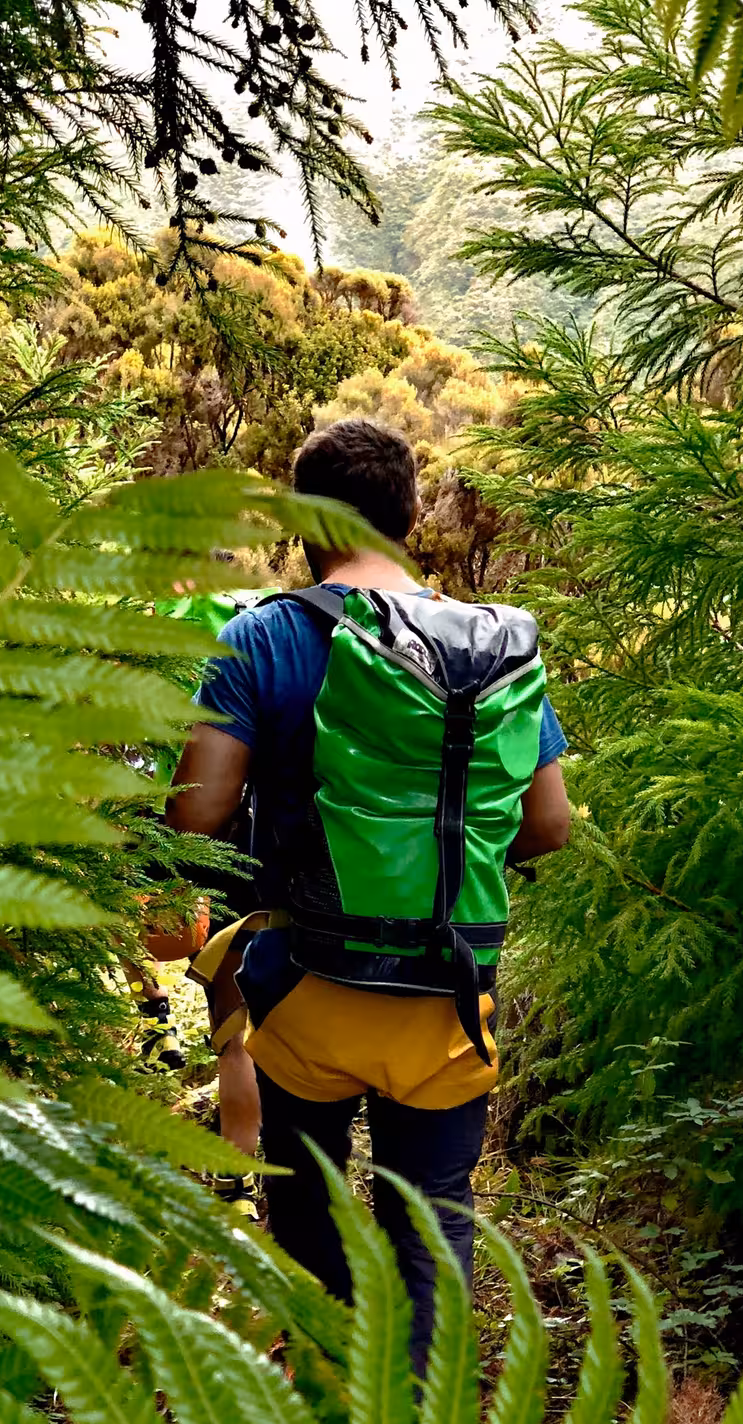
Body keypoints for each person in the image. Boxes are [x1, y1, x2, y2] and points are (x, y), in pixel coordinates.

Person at [166, 419, 570, 1370]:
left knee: (308, 1201)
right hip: (446, 986)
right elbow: (550, 825)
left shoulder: (261, 637)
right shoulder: (489, 651)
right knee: (431, 1222)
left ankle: (332, 1388)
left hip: (306, 985)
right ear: (411, 512)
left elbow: (198, 813)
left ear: (303, 518)